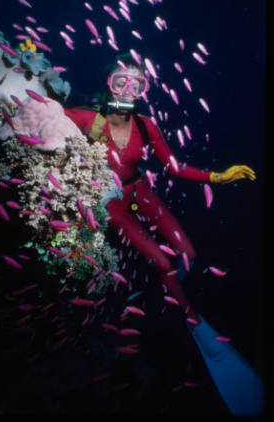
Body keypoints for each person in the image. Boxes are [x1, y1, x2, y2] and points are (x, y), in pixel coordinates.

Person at [64, 53, 264, 415]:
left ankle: (157, 288)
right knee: (161, 261)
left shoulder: (146, 125)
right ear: (106, 84)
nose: (128, 88)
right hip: (111, 203)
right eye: (119, 81)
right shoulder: (85, 119)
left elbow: (174, 167)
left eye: (137, 83)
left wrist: (217, 177)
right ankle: (195, 324)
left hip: (140, 194)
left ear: (144, 88)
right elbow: (43, 115)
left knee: (187, 253)